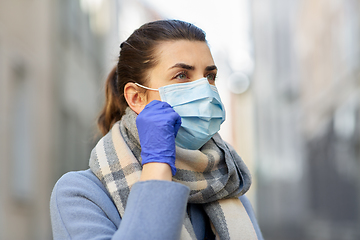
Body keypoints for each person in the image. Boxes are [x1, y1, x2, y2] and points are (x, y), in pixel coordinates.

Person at [50, 19, 263, 240]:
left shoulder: (226, 186)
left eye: (209, 76)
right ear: (136, 97)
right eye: (182, 75)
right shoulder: (81, 194)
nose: (205, 90)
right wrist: (157, 164)